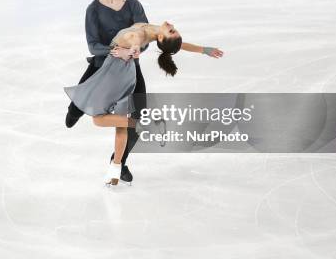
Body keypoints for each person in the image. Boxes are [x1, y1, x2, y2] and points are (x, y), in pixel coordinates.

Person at [65, 21, 223, 185]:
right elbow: (178, 45)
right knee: (120, 124)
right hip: (123, 72)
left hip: (116, 73)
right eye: (174, 30)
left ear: (162, 36)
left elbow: (135, 43)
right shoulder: (154, 31)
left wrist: (130, 52)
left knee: (98, 118)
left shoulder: (139, 35)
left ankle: (144, 126)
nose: (172, 25)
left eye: (172, 30)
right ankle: (116, 169)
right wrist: (204, 50)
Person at [65, 0, 149, 184]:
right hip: (104, 67)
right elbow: (93, 46)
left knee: (140, 117)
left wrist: (137, 48)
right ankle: (76, 107)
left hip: (130, 69)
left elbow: (145, 35)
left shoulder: (133, 5)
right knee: (82, 102)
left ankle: (119, 162)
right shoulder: (93, 10)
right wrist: (117, 51)